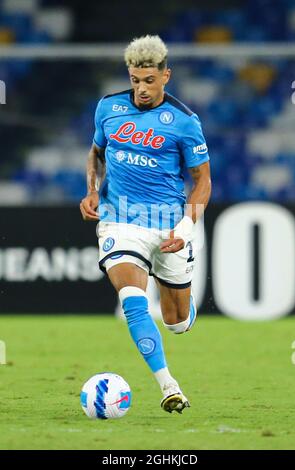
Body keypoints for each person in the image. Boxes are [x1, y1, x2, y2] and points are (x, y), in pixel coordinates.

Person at [80, 35, 211, 414]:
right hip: (120, 220)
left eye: (149, 81)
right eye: (136, 80)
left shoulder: (185, 122)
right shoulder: (108, 108)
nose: (141, 89)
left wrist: (186, 228)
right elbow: (96, 153)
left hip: (168, 225)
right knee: (133, 302)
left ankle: (181, 307)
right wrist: (91, 189)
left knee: (176, 323)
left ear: (165, 76)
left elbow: (203, 180)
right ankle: (169, 387)